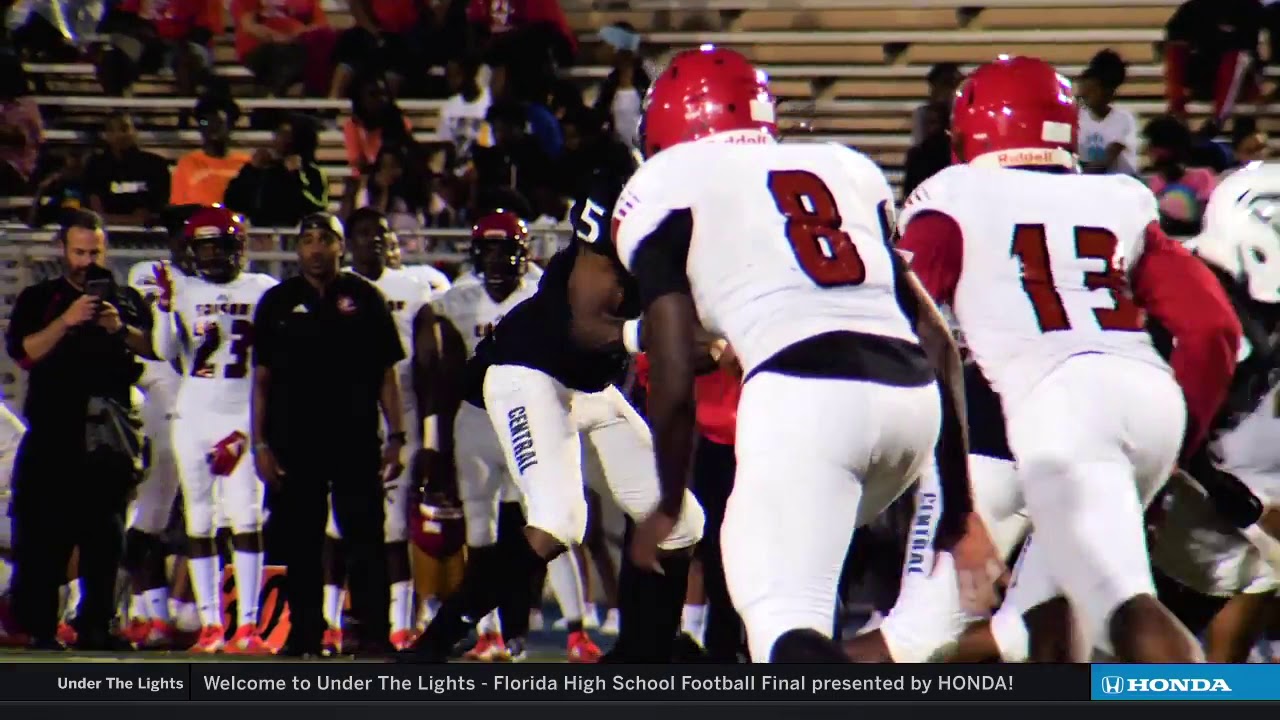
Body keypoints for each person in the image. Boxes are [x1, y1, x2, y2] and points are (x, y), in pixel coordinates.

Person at [609, 46, 989, 663]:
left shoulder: (666, 182)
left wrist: (669, 500)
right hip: (912, 402)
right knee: (799, 614)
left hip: (803, 395)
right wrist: (958, 504)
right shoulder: (844, 167)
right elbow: (937, 339)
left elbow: (673, 358)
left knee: (781, 624)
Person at [890, 56, 1240, 663]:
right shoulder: (1118, 195)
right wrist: (1182, 448)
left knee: (1121, 608)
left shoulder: (956, 193)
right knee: (1057, 624)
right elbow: (1213, 328)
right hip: (1148, 394)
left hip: (1055, 408)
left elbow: (902, 309)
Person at [404, 111, 706, 665]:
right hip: (532, 369)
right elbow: (585, 323)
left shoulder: (710, 209)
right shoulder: (623, 199)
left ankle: (646, 648)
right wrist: (659, 336)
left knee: (683, 520)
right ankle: (440, 638)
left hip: (591, 382)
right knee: (560, 519)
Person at [430, 211, 600, 663]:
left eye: (506, 249)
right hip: (478, 420)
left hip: (533, 415)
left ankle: (576, 629)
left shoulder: (543, 291)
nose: (498, 258)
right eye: (488, 249)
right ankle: (486, 633)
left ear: (522, 253)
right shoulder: (458, 299)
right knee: (480, 529)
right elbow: (437, 356)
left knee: (550, 520)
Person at [252, 212, 406, 657]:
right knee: (297, 542)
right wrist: (260, 443)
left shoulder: (365, 298)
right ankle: (301, 634)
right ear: (298, 249)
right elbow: (260, 381)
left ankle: (372, 634)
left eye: (326, 239)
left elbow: (386, 376)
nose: (317, 248)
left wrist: (396, 437)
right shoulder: (277, 302)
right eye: (308, 240)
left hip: (355, 440)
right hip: (293, 443)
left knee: (366, 542)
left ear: (340, 247)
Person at [5, 209, 153, 649]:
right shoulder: (40, 298)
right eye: (79, 252)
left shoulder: (124, 297)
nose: (88, 261)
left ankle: (96, 624)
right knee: (42, 533)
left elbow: (157, 349)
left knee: (105, 535)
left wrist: (119, 328)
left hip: (108, 433)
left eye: (95, 251)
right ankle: (40, 627)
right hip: (54, 428)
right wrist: (67, 320)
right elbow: (24, 353)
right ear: (63, 251)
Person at [150, 206, 278, 654]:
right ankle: (210, 626)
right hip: (195, 414)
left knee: (245, 516)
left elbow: (274, 365)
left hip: (241, 413)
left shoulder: (264, 291)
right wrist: (164, 311)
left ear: (237, 247)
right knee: (199, 518)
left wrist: (254, 429)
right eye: (203, 247)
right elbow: (165, 352)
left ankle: (247, 626)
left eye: (218, 246)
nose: (211, 256)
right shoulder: (183, 291)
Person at [319, 208, 434, 654]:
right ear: (348, 243)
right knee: (336, 530)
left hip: (398, 418)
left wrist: (422, 431)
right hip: (347, 422)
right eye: (362, 235)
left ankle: (399, 623)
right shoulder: (337, 288)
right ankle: (332, 620)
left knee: (393, 531)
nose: (372, 242)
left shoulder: (413, 287)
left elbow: (423, 364)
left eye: (379, 234)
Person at [120, 210, 198, 650]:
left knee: (204, 516)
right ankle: (152, 610)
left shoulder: (219, 281)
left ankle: (187, 610)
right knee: (149, 512)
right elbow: (143, 339)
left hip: (206, 404)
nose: (188, 248)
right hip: (160, 399)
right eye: (182, 238)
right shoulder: (147, 274)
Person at [223, 114, 328, 229]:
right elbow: (232, 202)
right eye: (279, 133)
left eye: (287, 134)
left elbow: (317, 208)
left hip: (296, 234)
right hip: (260, 234)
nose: (281, 138)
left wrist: (296, 176)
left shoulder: (311, 172)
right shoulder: (261, 168)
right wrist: (251, 170)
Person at [84, 112, 170, 228]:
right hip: (107, 231)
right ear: (106, 135)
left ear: (135, 132)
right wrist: (130, 220)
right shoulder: (96, 165)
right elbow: (96, 214)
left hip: (148, 231)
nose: (120, 135)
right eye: (112, 130)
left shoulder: (156, 164)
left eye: (125, 129)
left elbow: (156, 211)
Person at [170, 95, 251, 207]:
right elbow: (178, 205)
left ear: (231, 125)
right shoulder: (188, 163)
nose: (212, 126)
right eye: (204, 122)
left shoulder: (246, 164)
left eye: (219, 121)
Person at [1077, 49, 1139, 176]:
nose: (1084, 96)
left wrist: (1081, 176)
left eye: (1091, 92)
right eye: (1083, 93)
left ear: (1107, 92)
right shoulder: (1078, 118)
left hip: (1117, 184)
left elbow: (1106, 161)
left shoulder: (1124, 119)